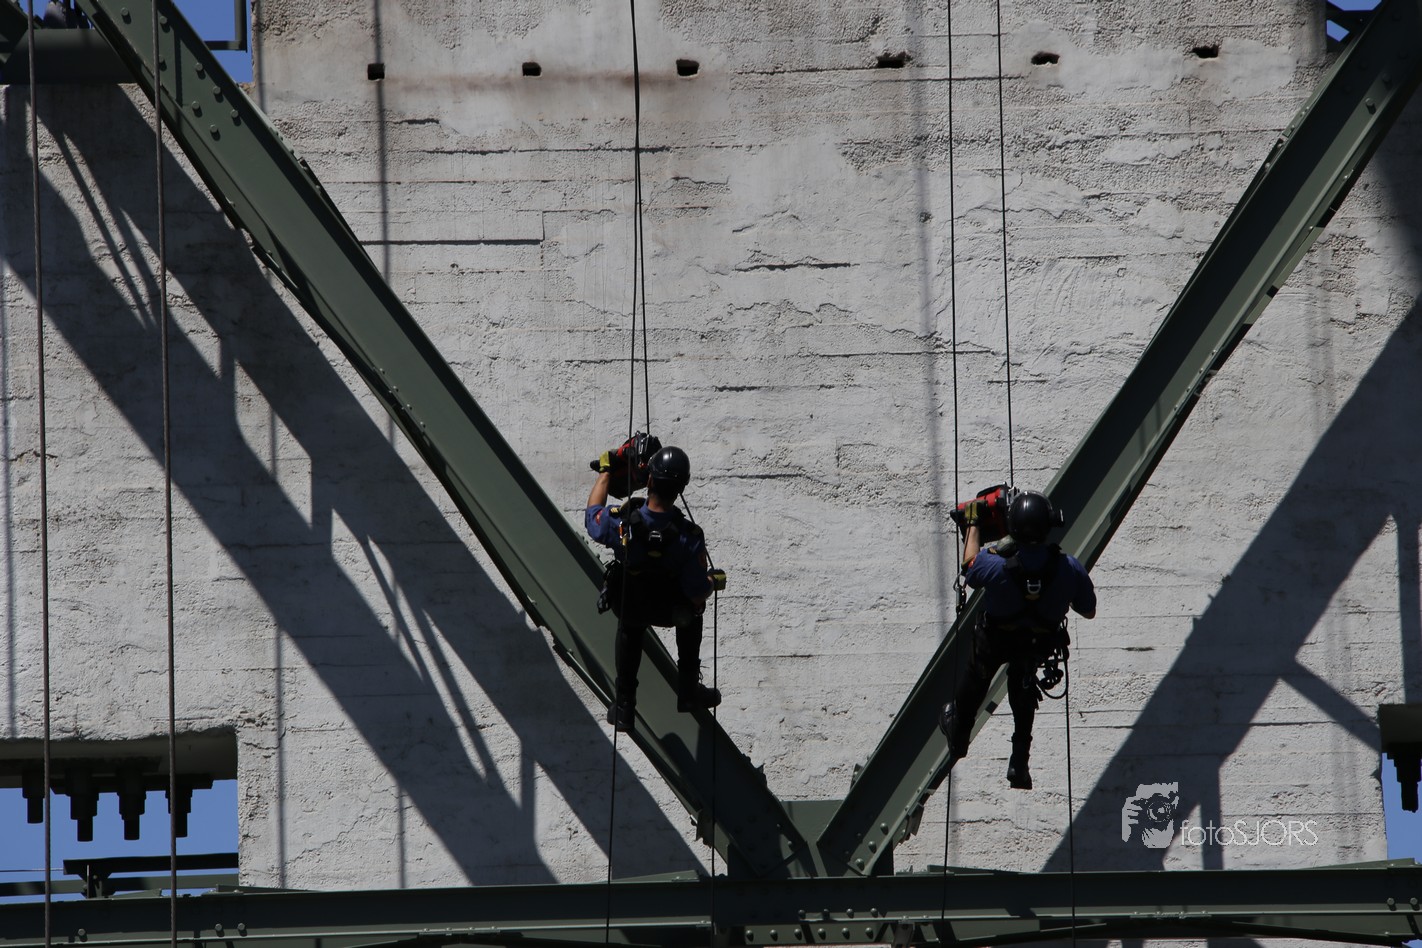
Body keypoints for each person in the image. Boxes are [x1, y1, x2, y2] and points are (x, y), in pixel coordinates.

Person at [939, 490, 1095, 789]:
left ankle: (959, 729)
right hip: (1036, 644)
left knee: (978, 673)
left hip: (996, 640)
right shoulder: (1069, 568)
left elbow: (969, 566)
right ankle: (1019, 761)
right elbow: (1088, 611)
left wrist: (973, 522)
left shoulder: (994, 564)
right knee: (1022, 682)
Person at [586, 445, 721, 732]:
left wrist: (606, 471)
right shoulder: (689, 537)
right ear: (681, 488)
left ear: (649, 480)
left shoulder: (621, 522)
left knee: (629, 626)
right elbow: (697, 591)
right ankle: (688, 691)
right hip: (670, 612)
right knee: (694, 610)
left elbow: (592, 516)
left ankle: (624, 705)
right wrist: (712, 581)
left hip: (633, 607)